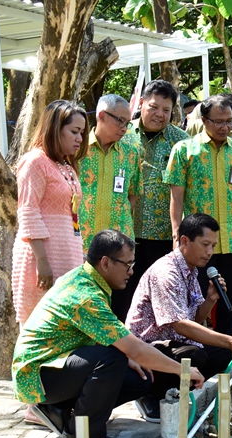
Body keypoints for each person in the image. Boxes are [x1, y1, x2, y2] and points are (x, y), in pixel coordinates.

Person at [12, 229, 206, 438]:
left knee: (139, 378)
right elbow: (135, 348)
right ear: (105, 262)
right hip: (37, 373)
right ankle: (82, 437)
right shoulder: (85, 295)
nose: (131, 272)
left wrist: (130, 358)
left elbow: (118, 341)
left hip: (59, 364)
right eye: (127, 264)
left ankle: (60, 408)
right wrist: (182, 371)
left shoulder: (89, 279)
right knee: (112, 357)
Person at [126, 213, 232, 421]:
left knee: (227, 353)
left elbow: (193, 319)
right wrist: (229, 340)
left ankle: (176, 389)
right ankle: (151, 394)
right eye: (205, 244)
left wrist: (211, 299)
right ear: (184, 241)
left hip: (175, 341)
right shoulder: (166, 272)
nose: (210, 252)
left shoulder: (190, 269)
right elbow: (180, 325)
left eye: (213, 245)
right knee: (196, 355)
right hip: (147, 348)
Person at [167, 94, 232, 335]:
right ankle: (197, 350)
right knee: (197, 300)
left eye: (229, 121)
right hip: (198, 243)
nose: (225, 127)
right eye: (219, 122)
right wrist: (177, 234)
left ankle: (226, 350)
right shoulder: (184, 150)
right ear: (204, 120)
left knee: (229, 301)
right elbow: (176, 198)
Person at [13, 100, 88, 326]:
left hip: (67, 253)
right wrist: (42, 261)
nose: (80, 139)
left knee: (66, 324)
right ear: (56, 129)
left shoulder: (65, 164)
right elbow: (28, 211)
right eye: (74, 131)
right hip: (41, 256)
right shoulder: (35, 161)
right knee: (39, 324)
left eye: (82, 132)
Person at [78, 94, 142, 320]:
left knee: (119, 309)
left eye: (128, 122)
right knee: (87, 306)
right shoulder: (77, 149)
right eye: (120, 121)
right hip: (84, 242)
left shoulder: (131, 153)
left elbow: (133, 193)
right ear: (102, 116)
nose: (125, 128)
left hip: (119, 247)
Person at [124, 80, 189, 296]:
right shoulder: (124, 135)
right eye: (153, 107)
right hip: (126, 231)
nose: (159, 114)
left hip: (163, 236)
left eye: (166, 110)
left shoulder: (181, 142)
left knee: (161, 294)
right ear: (141, 103)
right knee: (126, 295)